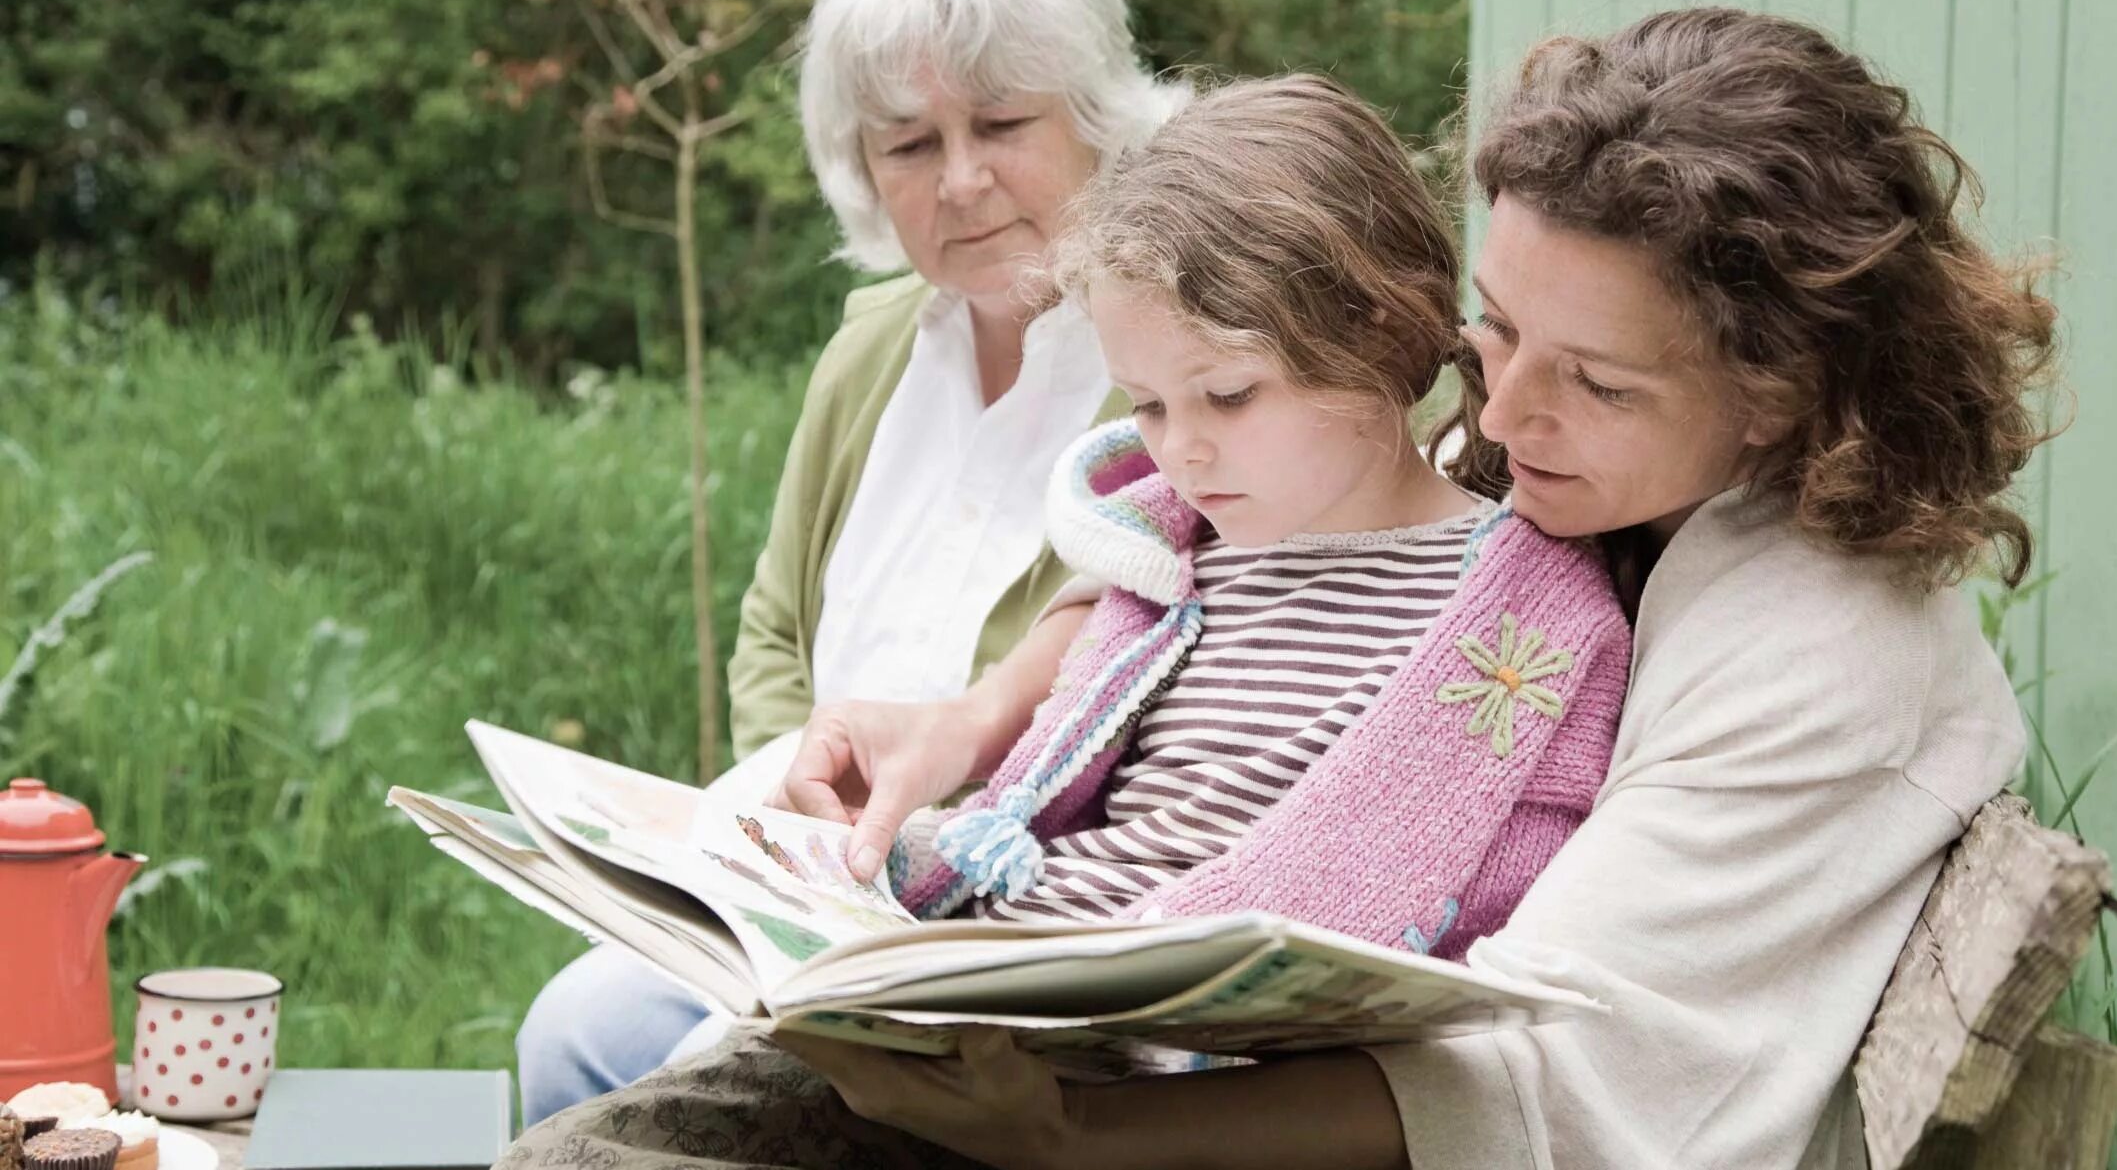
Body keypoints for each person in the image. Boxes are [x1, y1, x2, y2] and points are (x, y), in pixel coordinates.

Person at [521, 6, 2058, 1169]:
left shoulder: (1817, 654)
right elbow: (1212, 574)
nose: (1495, 417)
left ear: (1780, 389)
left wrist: (1057, 1131)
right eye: (1494, 329)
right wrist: (981, 719)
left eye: (1583, 377)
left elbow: (1542, 1072)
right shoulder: (1614, 471)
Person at [502, 71, 1634, 1166]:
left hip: (1164, 1085)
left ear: (1382, 335)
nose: (1180, 446)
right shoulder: (1168, 555)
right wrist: (857, 877)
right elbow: (1039, 806)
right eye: (1145, 401)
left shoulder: (1524, 617)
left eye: (1228, 395)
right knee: (586, 1145)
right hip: (986, 1007)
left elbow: (1504, 890)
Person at [511, 0, 1187, 1125]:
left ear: (1096, 117)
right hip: (809, 885)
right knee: (572, 1031)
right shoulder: (870, 344)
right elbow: (775, 623)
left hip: (1016, 924)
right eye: (911, 142)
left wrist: (905, 859)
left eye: (1003, 125)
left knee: (681, 1095)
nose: (960, 181)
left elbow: (1145, 680)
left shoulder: (1172, 363)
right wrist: (801, 826)